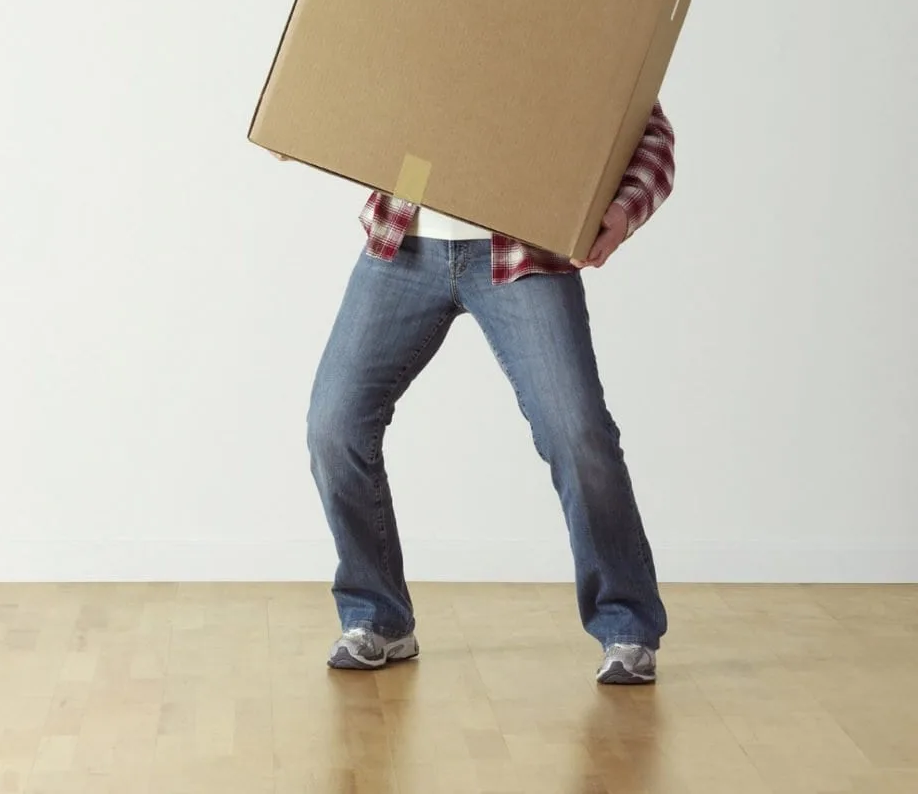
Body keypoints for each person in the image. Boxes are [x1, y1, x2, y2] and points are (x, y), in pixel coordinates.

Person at [272, 99, 674, 687]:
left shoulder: (574, 10)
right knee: (333, 426)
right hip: (405, 240)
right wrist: (314, 119)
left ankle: (628, 625)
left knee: (577, 432)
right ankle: (378, 618)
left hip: (522, 248)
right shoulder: (411, 6)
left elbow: (650, 132)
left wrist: (622, 211)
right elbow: (351, 76)